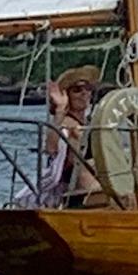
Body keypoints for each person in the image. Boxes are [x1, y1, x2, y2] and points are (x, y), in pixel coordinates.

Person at [34, 65, 102, 206]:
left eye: (87, 88)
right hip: (82, 185)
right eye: (77, 90)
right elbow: (51, 149)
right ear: (67, 95)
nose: (84, 93)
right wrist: (60, 110)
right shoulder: (67, 123)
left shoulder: (91, 122)